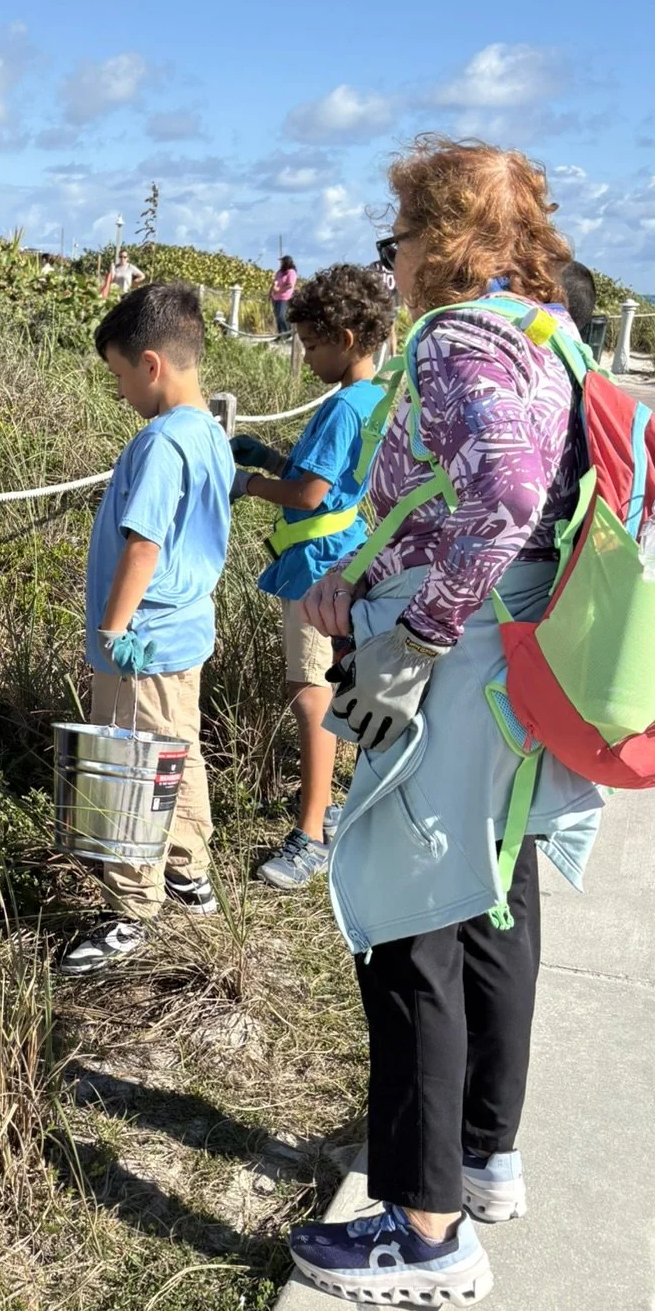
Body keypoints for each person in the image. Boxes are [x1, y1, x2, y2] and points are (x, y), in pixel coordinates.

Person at [289, 139, 604, 1310]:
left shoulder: (465, 337)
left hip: (453, 667)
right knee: (490, 896)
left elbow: (508, 487)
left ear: (447, 235)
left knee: (406, 921)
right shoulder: (545, 330)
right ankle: (484, 1153)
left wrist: (416, 633)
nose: (398, 258)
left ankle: (425, 1232)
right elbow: (491, 500)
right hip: (512, 655)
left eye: (401, 234)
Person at [60, 282, 234, 976]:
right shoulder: (210, 433)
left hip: (144, 640)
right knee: (177, 748)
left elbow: (144, 545)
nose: (121, 390)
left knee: (134, 766)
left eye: (120, 375)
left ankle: (131, 909)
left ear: (152, 364)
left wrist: (112, 628)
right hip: (185, 632)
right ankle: (188, 865)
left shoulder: (162, 442)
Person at [232, 264, 393, 889]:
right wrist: (271, 457)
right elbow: (329, 483)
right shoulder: (373, 398)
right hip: (345, 556)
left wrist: (246, 483)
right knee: (342, 691)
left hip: (314, 568)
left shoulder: (341, 409)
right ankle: (337, 815)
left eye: (311, 343)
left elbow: (308, 493)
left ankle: (310, 834)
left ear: (346, 339)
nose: (305, 355)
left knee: (311, 695)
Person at [270, 255, 298, 335]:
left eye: (282, 261)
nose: (281, 263)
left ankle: (286, 334)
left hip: (285, 297)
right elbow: (275, 281)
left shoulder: (291, 272)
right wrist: (271, 292)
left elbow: (290, 285)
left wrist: (279, 290)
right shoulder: (279, 272)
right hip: (276, 297)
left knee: (281, 315)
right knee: (277, 317)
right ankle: (280, 334)